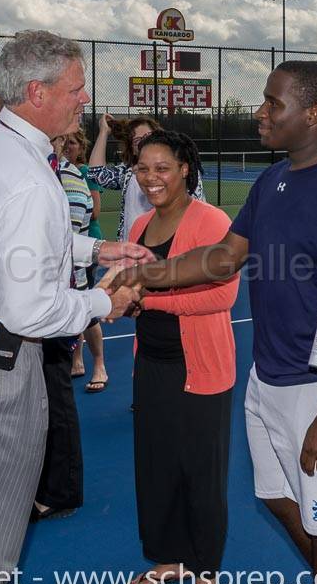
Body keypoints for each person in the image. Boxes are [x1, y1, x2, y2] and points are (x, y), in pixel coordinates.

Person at [112, 61, 317, 584]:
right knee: (274, 493)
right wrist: (145, 274)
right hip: (270, 375)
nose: (260, 113)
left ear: (313, 113)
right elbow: (223, 257)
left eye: (273, 103)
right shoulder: (274, 179)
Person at [0, 30, 151, 584]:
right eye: (76, 88)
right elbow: (31, 310)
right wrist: (105, 301)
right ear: (37, 92)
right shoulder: (27, 177)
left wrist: (96, 250)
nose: (84, 99)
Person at [122, 131, 238, 584]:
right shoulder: (138, 227)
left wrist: (148, 301)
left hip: (201, 369)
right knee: (158, 468)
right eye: (143, 168)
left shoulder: (211, 221)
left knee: (201, 474)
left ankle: (206, 570)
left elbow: (223, 293)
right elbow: (129, 291)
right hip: (151, 365)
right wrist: (123, 299)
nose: (151, 178)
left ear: (185, 168)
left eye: (162, 168)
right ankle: (172, 558)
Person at [30, 132, 97, 521]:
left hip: (56, 306)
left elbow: (63, 243)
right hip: (37, 305)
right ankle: (43, 483)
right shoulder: (42, 173)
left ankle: (59, 492)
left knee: (55, 399)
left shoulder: (67, 180)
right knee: (39, 398)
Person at [87, 114, 206, 243]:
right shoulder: (128, 173)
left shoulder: (181, 170)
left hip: (171, 249)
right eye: (138, 141)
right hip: (131, 252)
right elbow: (96, 173)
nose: (145, 143)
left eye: (149, 137)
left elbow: (194, 210)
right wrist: (104, 132)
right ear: (132, 149)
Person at [62, 128, 109, 391]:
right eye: (63, 141)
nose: (67, 146)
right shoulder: (54, 171)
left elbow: (94, 213)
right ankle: (77, 359)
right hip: (73, 251)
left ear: (80, 147)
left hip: (87, 246)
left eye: (72, 143)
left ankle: (99, 363)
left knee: (86, 308)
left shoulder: (83, 177)